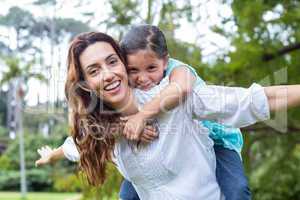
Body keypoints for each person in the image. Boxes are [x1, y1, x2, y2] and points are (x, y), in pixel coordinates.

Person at [61, 31, 300, 200]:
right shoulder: (99, 130)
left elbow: (254, 99)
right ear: (85, 84)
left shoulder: (176, 100)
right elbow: (76, 146)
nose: (108, 75)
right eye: (94, 70)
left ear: (123, 64)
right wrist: (53, 154)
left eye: (112, 62)